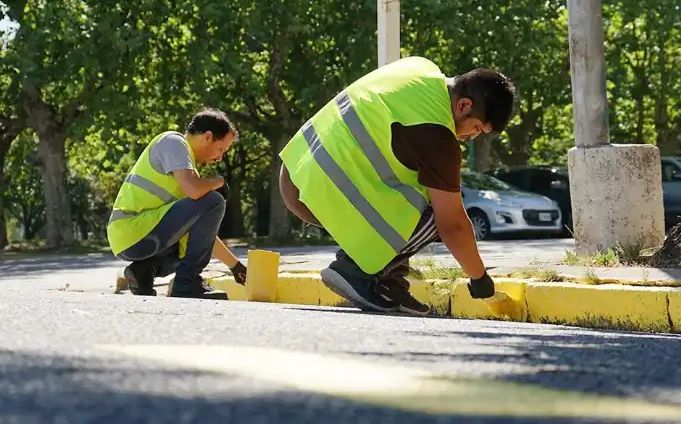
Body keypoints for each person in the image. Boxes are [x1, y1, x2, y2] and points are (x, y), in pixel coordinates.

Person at [278, 56, 517, 315]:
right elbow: (453, 225)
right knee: (437, 211)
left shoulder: (420, 69)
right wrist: (479, 279)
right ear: (463, 105)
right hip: (318, 190)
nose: (471, 138)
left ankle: (389, 283)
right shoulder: (437, 135)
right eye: (477, 128)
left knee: (423, 187)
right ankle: (354, 270)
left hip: (297, 170)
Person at [107, 109, 248, 300]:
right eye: (221, 149)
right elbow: (194, 190)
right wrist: (219, 182)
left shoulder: (186, 172)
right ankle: (187, 284)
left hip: (134, 236)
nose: (219, 158)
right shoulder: (173, 142)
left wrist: (236, 267)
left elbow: (203, 237)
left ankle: (143, 272)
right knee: (214, 200)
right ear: (207, 137)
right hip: (133, 230)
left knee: (195, 238)